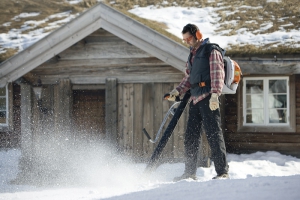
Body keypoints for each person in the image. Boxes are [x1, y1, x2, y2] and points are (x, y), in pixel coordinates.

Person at [167, 24, 229, 181]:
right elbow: (189, 78)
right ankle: (189, 173)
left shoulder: (211, 50)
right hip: (195, 99)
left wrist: (215, 95)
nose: (187, 41)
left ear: (198, 35)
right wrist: (177, 91)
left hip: (208, 97)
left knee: (214, 134)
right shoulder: (192, 54)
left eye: (189, 38)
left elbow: (217, 73)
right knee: (190, 136)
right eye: (184, 39)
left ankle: (222, 172)